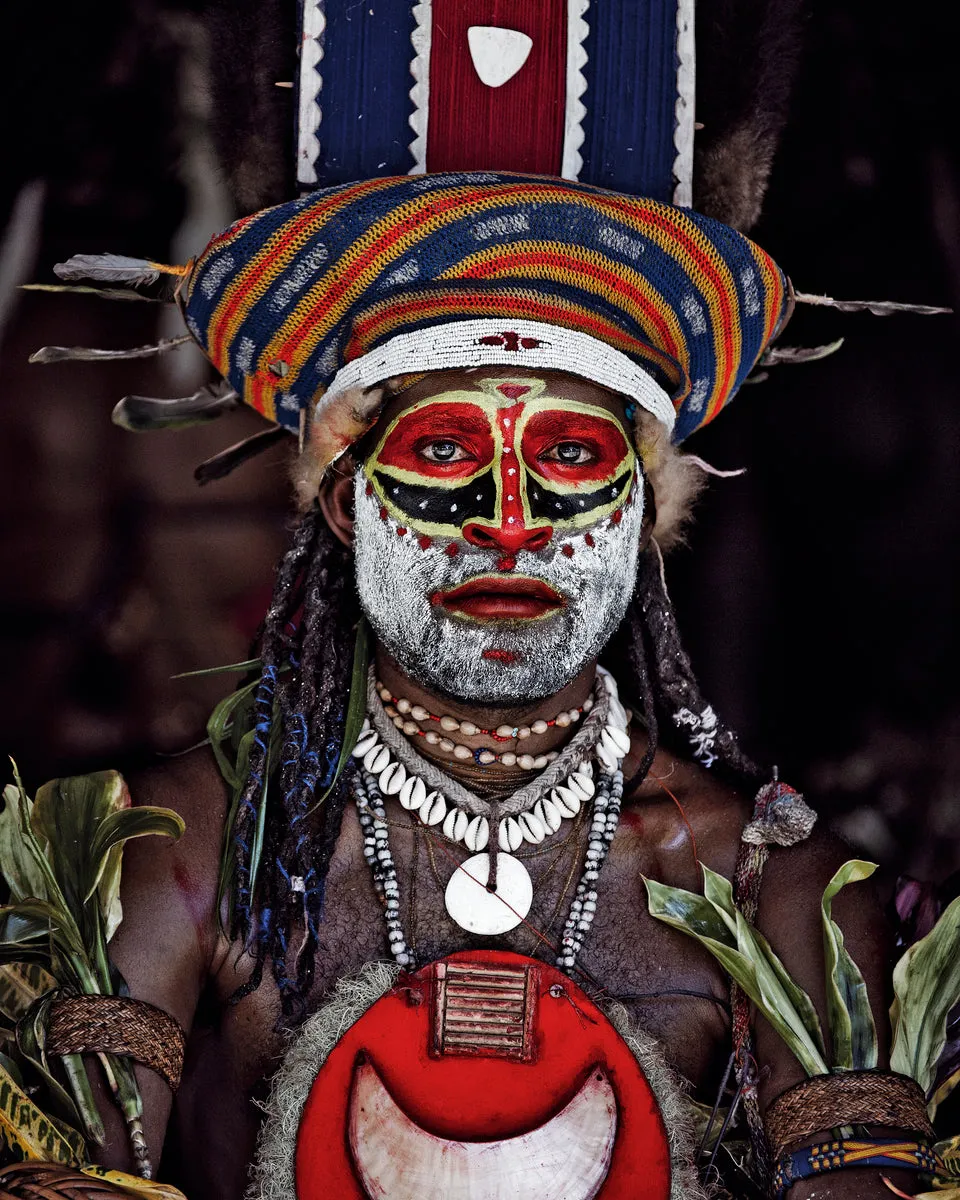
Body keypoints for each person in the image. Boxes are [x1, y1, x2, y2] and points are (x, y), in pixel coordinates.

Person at [37, 173, 926, 1200]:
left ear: (643, 521)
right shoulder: (180, 848)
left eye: (571, 456)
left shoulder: (780, 887)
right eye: (446, 448)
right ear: (344, 505)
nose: (509, 523)